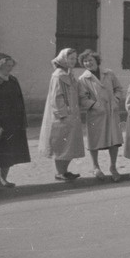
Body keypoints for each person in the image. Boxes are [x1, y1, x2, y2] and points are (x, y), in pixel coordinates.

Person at [38, 48, 85, 181]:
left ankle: (64, 171)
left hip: (72, 114)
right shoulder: (58, 75)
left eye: (75, 58)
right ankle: (60, 172)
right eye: (71, 58)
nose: (73, 61)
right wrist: (63, 114)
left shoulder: (69, 74)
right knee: (61, 145)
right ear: (63, 59)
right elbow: (56, 97)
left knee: (70, 144)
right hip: (62, 117)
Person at [77, 49, 124, 182]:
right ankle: (96, 167)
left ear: (96, 61)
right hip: (96, 114)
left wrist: (116, 100)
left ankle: (113, 167)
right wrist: (95, 105)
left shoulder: (109, 73)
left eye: (90, 60)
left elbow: (119, 89)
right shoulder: (83, 79)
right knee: (94, 141)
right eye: (85, 61)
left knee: (114, 141)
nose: (88, 63)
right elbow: (82, 98)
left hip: (111, 112)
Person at [0, 54, 31, 189]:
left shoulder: (12, 80)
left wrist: (22, 121)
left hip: (14, 123)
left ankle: (4, 179)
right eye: (7, 65)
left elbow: (20, 102)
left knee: (9, 154)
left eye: (11, 65)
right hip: (0, 125)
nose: (10, 68)